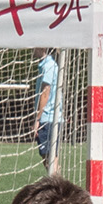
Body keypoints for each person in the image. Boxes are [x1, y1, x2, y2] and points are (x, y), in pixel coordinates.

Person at [33, 47, 61, 178]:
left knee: (50, 161)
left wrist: (37, 119)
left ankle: (60, 193)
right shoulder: (48, 64)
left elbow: (46, 92)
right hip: (52, 118)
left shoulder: (48, 65)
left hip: (48, 119)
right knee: (51, 160)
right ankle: (61, 192)